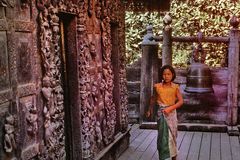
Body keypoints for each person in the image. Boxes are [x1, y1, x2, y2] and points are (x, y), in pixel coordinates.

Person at [146, 65, 183, 160]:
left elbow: (180, 101)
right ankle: (162, 157)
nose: (166, 76)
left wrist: (170, 108)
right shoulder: (157, 87)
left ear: (172, 75)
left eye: (168, 74)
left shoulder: (175, 87)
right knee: (163, 138)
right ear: (161, 75)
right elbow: (153, 99)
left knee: (172, 137)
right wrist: (149, 109)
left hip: (171, 114)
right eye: (164, 74)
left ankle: (174, 158)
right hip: (161, 114)